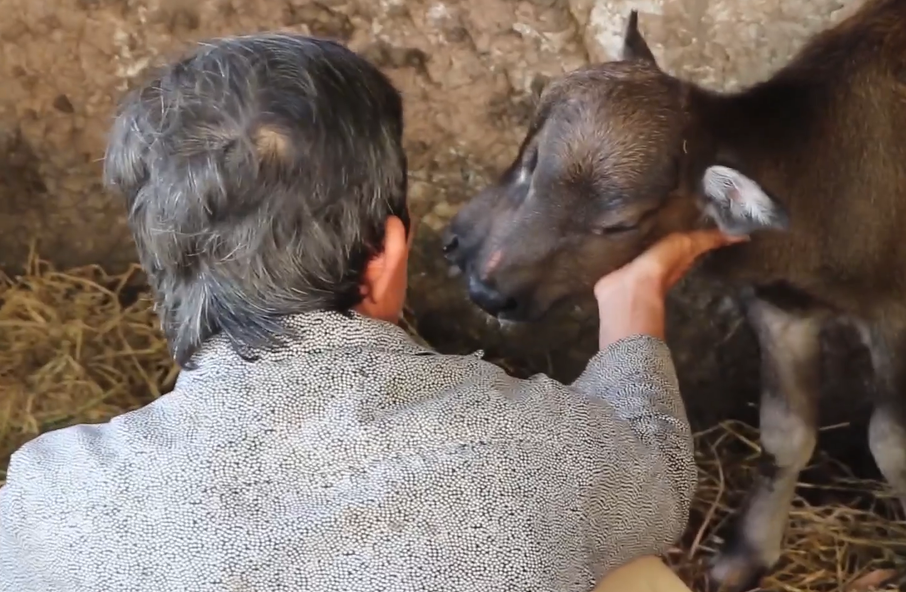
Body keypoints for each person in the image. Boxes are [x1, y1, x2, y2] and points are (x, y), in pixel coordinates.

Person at [0, 33, 745, 592]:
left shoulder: (46, 500)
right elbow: (656, 482)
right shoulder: (538, 455)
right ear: (387, 258)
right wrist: (633, 303)